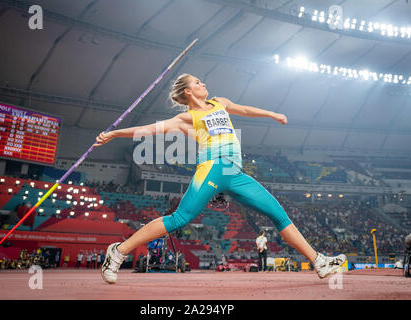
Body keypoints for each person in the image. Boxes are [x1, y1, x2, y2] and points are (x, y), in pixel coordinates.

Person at [95, 73, 347, 284]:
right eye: (197, 82)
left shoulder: (219, 103)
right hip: (212, 167)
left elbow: (245, 110)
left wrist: (272, 114)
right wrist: (115, 134)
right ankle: (118, 251)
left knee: (278, 213)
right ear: (187, 92)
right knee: (181, 218)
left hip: (234, 172)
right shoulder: (186, 118)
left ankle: (319, 261)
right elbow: (150, 129)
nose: (203, 83)